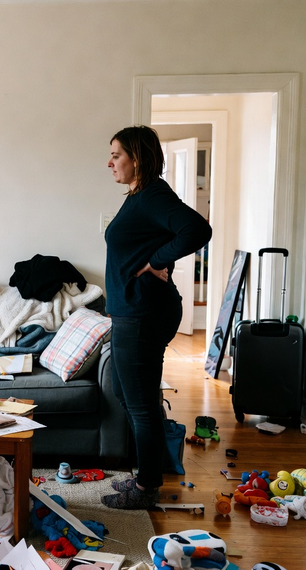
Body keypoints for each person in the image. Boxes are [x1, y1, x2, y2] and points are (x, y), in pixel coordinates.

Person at [102, 125, 212, 509]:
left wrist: (157, 261)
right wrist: (154, 256)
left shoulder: (152, 194)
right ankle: (143, 475)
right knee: (126, 392)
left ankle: (147, 487)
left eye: (117, 155)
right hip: (132, 311)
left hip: (144, 312)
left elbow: (197, 229)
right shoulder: (137, 197)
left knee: (141, 402)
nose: (110, 161)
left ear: (138, 158)